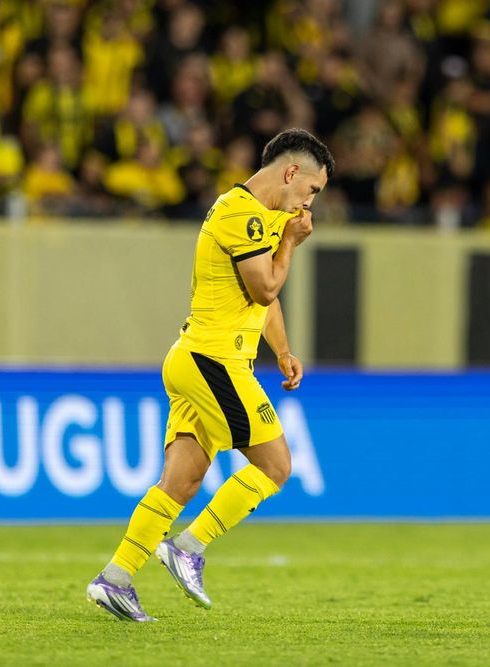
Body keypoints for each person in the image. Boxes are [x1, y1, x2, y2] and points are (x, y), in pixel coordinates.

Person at [86, 128, 334, 622]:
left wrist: (282, 351)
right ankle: (188, 548)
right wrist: (290, 243)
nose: (309, 204)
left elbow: (263, 297)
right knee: (276, 466)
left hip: (194, 358)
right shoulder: (240, 214)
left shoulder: (260, 216)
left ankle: (114, 578)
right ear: (291, 173)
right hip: (213, 361)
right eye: (311, 190)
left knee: (181, 482)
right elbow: (265, 287)